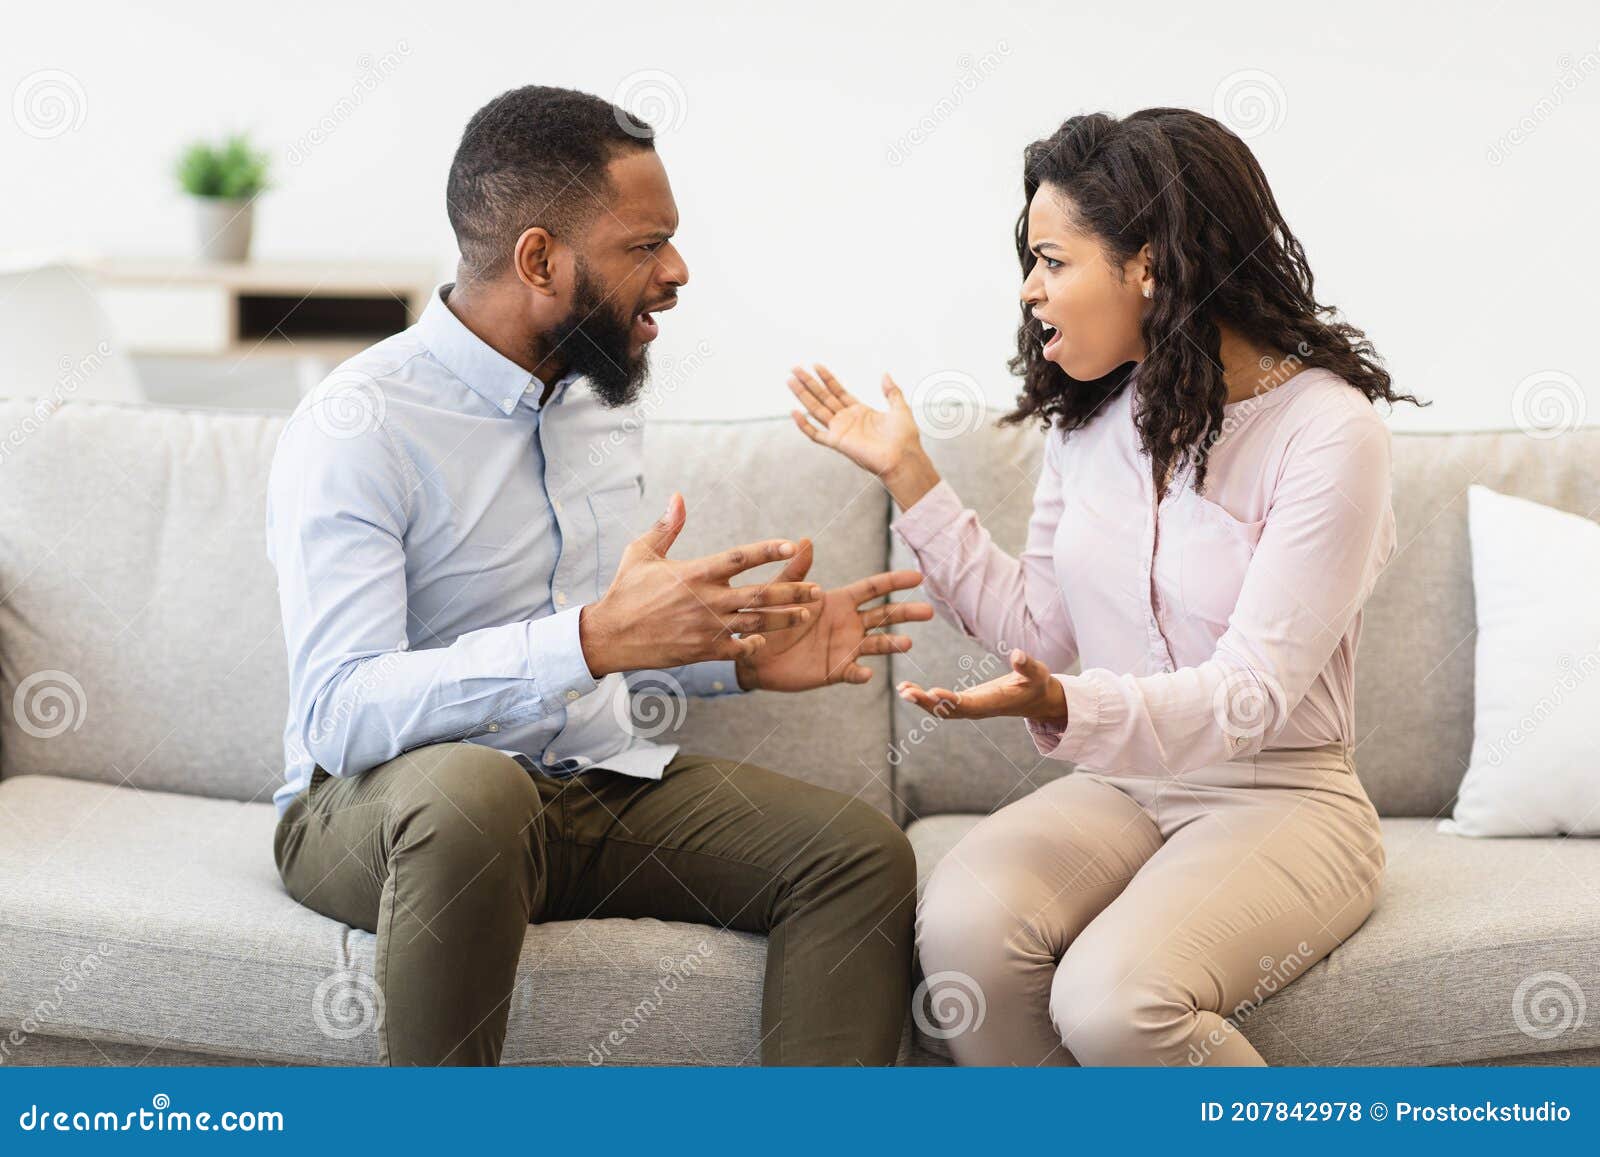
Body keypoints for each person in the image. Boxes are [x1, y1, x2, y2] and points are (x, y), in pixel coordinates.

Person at [266, 85, 930, 1066]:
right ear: (539, 258)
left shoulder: (597, 400)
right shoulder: (359, 424)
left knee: (857, 854)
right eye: (644, 244)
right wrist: (589, 639)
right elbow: (339, 711)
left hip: (582, 788)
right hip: (380, 809)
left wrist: (729, 651)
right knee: (472, 793)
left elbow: (600, 634)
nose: (676, 270)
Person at [786, 107, 1423, 1066]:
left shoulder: (1328, 435)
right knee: (963, 926)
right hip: (1126, 786)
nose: (1029, 288)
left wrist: (1068, 703)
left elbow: (1247, 696)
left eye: (1051, 259)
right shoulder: (1094, 424)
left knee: (1113, 999)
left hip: (1283, 796)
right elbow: (1032, 622)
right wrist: (910, 476)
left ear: (1149, 264)